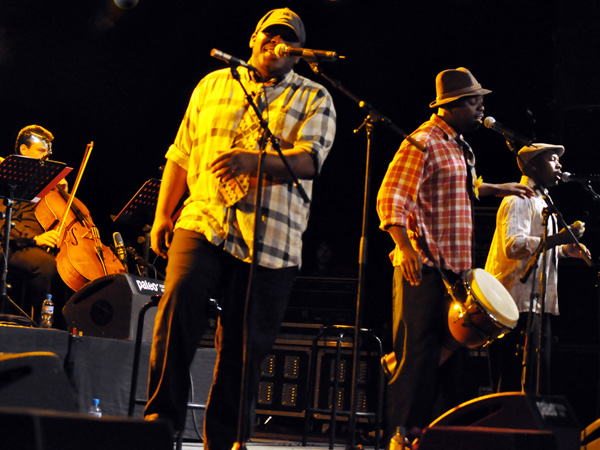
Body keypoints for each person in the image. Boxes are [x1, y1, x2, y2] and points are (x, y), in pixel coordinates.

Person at [143, 8, 336, 449]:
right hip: (204, 219)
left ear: (300, 54)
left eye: (288, 41)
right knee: (178, 310)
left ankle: (225, 441)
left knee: (244, 351)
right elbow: (181, 153)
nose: (277, 44)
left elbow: (308, 161)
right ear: (253, 38)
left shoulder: (315, 97)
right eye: (271, 35)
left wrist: (254, 162)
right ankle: (160, 426)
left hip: (272, 239)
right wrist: (162, 215)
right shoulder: (213, 85)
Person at [376, 67, 535, 442]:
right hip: (425, 268)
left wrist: (493, 188)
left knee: (449, 362)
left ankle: (435, 437)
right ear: (452, 106)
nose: (482, 108)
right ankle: (399, 436)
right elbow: (391, 198)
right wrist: (404, 246)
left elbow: (455, 188)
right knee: (418, 358)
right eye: (476, 102)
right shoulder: (422, 142)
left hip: (456, 274)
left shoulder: (460, 145)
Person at [485, 143, 590, 393]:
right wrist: (559, 239)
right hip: (513, 306)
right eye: (553, 159)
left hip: (532, 305)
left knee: (533, 382)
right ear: (532, 165)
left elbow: (535, 251)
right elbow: (515, 245)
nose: (559, 165)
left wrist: (564, 251)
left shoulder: (541, 201)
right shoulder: (519, 199)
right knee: (511, 384)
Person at [0, 125, 67, 328]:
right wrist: (35, 240)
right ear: (23, 150)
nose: (44, 159)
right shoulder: (4, 176)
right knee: (45, 265)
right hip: (9, 243)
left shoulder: (45, 183)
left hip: (34, 244)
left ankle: (66, 327)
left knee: (66, 267)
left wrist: (63, 194)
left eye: (47, 154)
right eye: (40, 152)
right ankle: (39, 325)